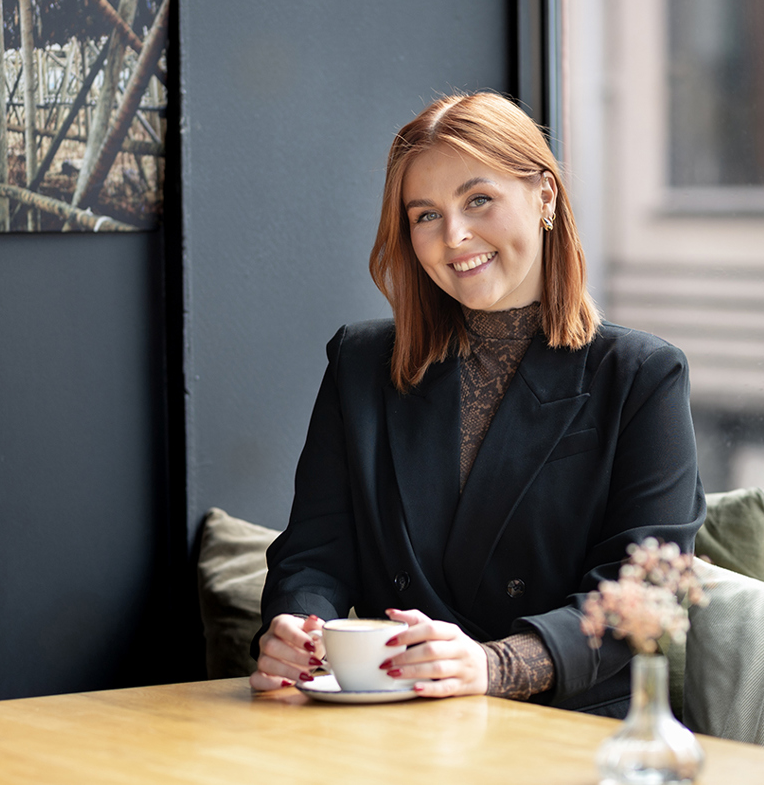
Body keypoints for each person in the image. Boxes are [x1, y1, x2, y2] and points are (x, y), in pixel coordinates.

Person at [249, 91, 705, 717]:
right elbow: (315, 554)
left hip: (570, 731)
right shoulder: (359, 364)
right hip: (393, 722)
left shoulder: (642, 375)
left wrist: (495, 665)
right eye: (425, 215)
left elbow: (642, 595)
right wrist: (299, 631)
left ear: (545, 196)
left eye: (478, 200)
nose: (454, 236)